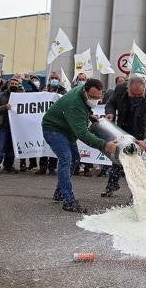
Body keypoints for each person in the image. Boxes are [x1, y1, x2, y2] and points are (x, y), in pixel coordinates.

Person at [41, 78, 118, 213]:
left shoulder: (83, 89)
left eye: (98, 97)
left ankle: (59, 193)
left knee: (75, 158)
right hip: (54, 129)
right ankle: (68, 201)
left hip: (66, 129)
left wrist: (89, 115)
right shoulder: (74, 105)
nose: (96, 100)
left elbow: (85, 107)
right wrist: (104, 145)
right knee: (66, 159)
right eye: (93, 97)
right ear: (85, 91)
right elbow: (83, 134)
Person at [102, 75, 146, 197]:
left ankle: (137, 194)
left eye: (140, 95)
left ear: (144, 89)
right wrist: (110, 113)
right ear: (127, 89)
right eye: (134, 95)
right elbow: (110, 103)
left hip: (143, 132)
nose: (137, 98)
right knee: (118, 157)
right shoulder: (119, 89)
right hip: (124, 128)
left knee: (138, 162)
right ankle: (111, 185)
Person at [36, 72, 67, 175]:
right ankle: (43, 167)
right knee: (44, 144)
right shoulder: (43, 88)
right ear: (49, 80)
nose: (54, 79)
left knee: (55, 145)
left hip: (57, 121)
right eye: (52, 78)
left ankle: (52, 167)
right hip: (44, 121)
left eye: (56, 78)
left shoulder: (63, 91)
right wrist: (42, 93)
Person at [0, 78, 21, 174]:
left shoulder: (21, 97)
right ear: (8, 85)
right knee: (0, 147)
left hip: (14, 127)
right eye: (12, 83)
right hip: (3, 125)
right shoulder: (0, 95)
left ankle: (8, 166)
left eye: (16, 84)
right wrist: (4, 107)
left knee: (11, 149)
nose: (14, 85)